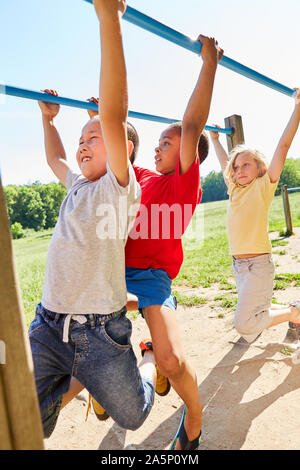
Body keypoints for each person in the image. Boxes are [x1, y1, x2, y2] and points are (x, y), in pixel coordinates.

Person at [87, 35, 224, 450]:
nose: (160, 146)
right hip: (114, 273)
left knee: (171, 359)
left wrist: (209, 65)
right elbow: (114, 133)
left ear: (188, 154)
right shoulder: (140, 177)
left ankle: (194, 419)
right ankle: (119, 369)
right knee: (92, 333)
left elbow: (192, 124)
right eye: (159, 143)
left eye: (169, 142)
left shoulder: (183, 183)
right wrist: (96, 113)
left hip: (152, 278)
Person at [29, 0, 158, 438]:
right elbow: (55, 156)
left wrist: (108, 20)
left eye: (94, 137)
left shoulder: (118, 189)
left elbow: (115, 115)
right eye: (82, 138)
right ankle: (79, 379)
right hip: (49, 323)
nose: (83, 144)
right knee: (25, 418)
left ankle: (147, 355)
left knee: (135, 414)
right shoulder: (78, 185)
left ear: (123, 149)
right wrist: (49, 121)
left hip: (101, 332)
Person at [208, 87, 300, 348]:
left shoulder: (264, 185)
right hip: (239, 265)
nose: (238, 170)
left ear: (260, 168)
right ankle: (293, 309)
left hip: (259, 263)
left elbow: (283, 146)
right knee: (251, 325)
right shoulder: (234, 189)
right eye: (236, 168)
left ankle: (295, 313)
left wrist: (297, 108)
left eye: (245, 164)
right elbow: (226, 162)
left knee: (245, 323)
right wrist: (215, 140)